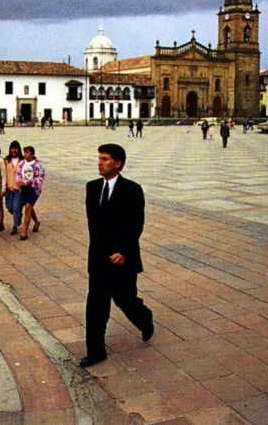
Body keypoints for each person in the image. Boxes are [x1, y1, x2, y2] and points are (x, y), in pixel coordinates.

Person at [81, 143, 153, 367]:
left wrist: (123, 252)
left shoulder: (132, 190)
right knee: (96, 305)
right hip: (99, 259)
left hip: (122, 259)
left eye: (105, 159)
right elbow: (95, 226)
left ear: (117, 163)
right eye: (99, 158)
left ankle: (144, 318)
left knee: (125, 300)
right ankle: (96, 351)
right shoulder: (92, 188)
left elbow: (135, 225)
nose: (99, 163)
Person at [15, 145, 44, 241]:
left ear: (32, 154)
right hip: (24, 188)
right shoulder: (21, 163)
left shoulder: (37, 165)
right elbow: (18, 174)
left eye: (27, 152)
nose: (25, 155)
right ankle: (36, 222)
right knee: (29, 207)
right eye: (24, 152)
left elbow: (40, 177)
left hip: (33, 189)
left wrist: (30, 182)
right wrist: (20, 182)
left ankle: (24, 232)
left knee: (28, 207)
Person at [4, 140, 24, 236]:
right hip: (9, 188)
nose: (14, 150)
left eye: (16, 148)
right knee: (9, 207)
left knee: (16, 207)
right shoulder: (6, 160)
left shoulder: (22, 161)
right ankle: (19, 215)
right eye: (12, 148)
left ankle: (15, 226)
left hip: (18, 189)